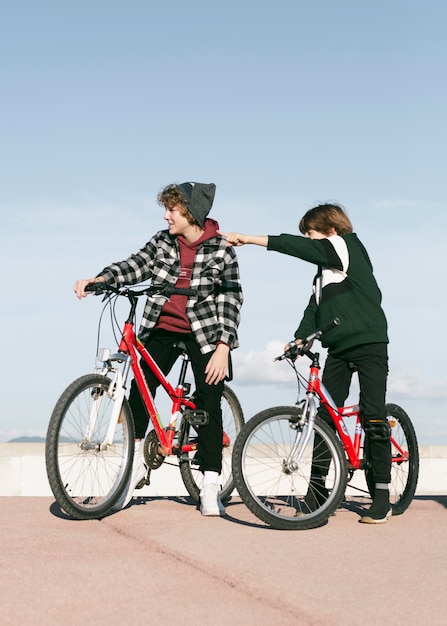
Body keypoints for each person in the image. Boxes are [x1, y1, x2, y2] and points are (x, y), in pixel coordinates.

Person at [74, 182, 243, 516]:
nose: (166, 216)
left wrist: (224, 346)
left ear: (191, 213)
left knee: (208, 400)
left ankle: (210, 482)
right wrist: (99, 280)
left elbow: (232, 298)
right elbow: (134, 265)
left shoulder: (222, 250)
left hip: (206, 334)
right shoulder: (162, 241)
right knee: (139, 392)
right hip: (162, 329)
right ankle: (132, 470)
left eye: (173, 210)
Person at [219, 203, 392, 524]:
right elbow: (312, 312)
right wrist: (300, 339)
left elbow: (294, 246)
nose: (309, 243)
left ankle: (381, 496)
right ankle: (317, 493)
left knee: (374, 416)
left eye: (311, 236)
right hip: (337, 349)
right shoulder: (322, 276)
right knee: (324, 419)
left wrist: (250, 239)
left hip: (369, 343)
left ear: (330, 230)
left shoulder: (346, 245)